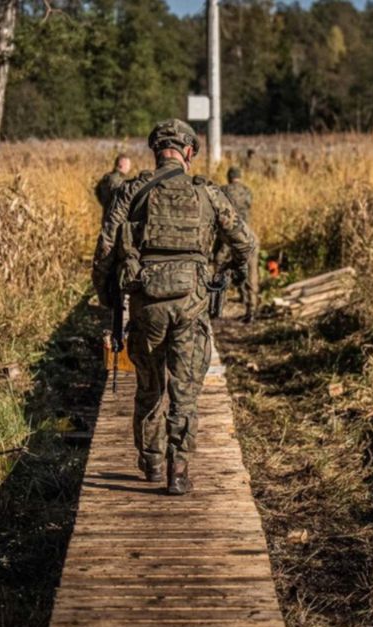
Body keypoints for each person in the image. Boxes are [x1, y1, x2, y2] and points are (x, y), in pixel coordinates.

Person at [91, 119, 256, 496]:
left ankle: (150, 463)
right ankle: (178, 471)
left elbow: (104, 250)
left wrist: (108, 298)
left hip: (145, 306)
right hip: (191, 304)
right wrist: (220, 273)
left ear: (156, 151)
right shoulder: (208, 193)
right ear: (189, 152)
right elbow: (246, 243)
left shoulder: (132, 191)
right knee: (184, 390)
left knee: (149, 388)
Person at [215, 166, 259, 322]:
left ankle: (217, 303)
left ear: (228, 177)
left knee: (219, 265)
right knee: (250, 268)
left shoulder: (223, 190)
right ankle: (251, 308)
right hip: (246, 233)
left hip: (228, 236)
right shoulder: (247, 191)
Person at [94, 154, 132, 219]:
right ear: (121, 165)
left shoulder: (107, 178)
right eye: (128, 165)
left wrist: (106, 205)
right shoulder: (118, 180)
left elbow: (97, 192)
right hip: (116, 218)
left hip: (107, 216)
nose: (129, 168)